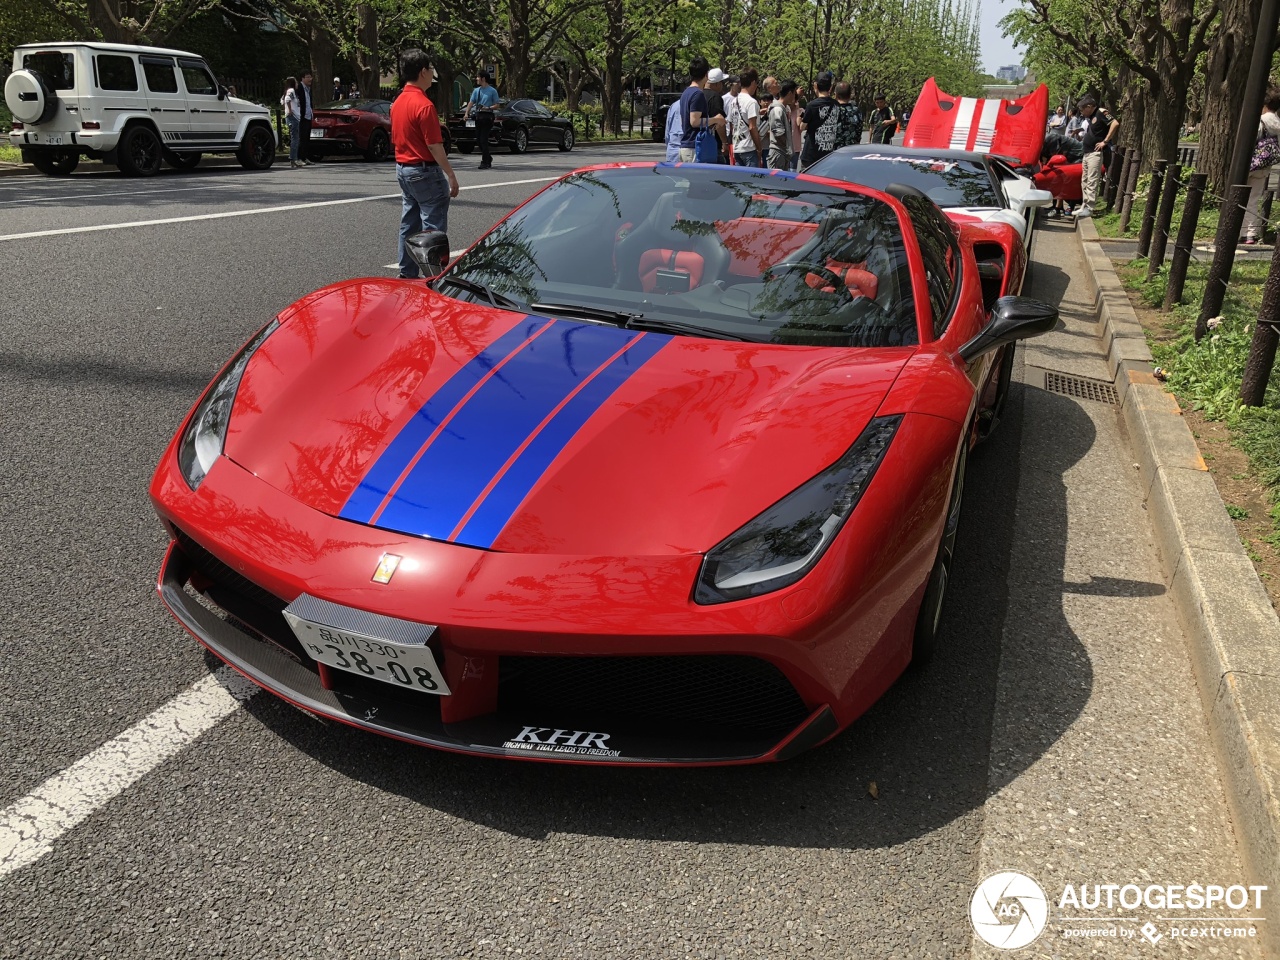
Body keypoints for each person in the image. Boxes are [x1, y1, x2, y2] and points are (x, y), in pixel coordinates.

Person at [391, 49, 459, 279]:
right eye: (430, 70)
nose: (432, 74)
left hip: (403, 168)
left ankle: (407, 273)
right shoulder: (424, 105)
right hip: (424, 170)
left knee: (408, 224)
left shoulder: (398, 102)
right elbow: (434, 146)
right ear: (422, 72)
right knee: (433, 228)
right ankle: (434, 277)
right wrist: (450, 174)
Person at [1243, 86, 1280, 244]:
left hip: (1249, 164)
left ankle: (1240, 231)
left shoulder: (1260, 120)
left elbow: (1250, 141)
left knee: (1238, 195)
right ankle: (1251, 233)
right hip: (1265, 167)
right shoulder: (1278, 123)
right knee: (1253, 199)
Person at [1074, 95, 1119, 218]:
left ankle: (1090, 207)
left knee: (1092, 180)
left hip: (1096, 153)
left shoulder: (1101, 112)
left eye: (1083, 110)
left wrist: (1105, 141)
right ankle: (1084, 204)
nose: (1082, 113)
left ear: (1089, 107)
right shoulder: (1091, 117)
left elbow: (1115, 123)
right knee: (1085, 180)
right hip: (1087, 152)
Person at [799, 72, 839, 170]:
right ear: (830, 87)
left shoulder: (812, 105)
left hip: (811, 154)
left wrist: (799, 119)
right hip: (828, 155)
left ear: (815, 85)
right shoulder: (836, 104)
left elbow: (802, 127)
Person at [1040, 129, 1084, 217]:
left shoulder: (1050, 139)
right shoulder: (1041, 144)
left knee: (1068, 180)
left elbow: (1055, 158)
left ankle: (1067, 207)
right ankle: (1057, 207)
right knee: (1057, 178)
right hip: (1068, 157)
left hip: (1077, 156)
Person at [463, 70, 500, 169]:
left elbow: (497, 105)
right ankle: (488, 157)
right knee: (479, 140)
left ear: (483, 78)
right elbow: (471, 102)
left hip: (487, 118)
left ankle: (485, 162)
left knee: (483, 140)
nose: (477, 79)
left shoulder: (492, 91)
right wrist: (466, 113)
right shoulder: (476, 90)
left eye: (478, 77)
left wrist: (488, 107)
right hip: (479, 117)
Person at [678, 56, 712, 162]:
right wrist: (716, 119)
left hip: (686, 145)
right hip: (694, 146)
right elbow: (695, 121)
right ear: (706, 74)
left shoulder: (686, 92)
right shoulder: (698, 94)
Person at [729, 68, 765, 167]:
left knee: (739, 181)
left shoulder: (734, 101)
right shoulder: (751, 102)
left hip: (737, 148)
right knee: (752, 181)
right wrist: (759, 148)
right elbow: (752, 127)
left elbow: (731, 124)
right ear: (753, 82)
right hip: (749, 148)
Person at [767, 81, 797, 171]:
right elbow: (778, 133)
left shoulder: (783, 108)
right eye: (794, 93)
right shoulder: (777, 109)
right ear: (790, 93)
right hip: (778, 153)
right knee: (775, 182)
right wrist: (787, 144)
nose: (795, 96)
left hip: (782, 153)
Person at [706, 68, 731, 162]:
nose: (722, 85)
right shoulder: (715, 97)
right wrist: (724, 142)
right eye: (721, 82)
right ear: (716, 83)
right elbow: (719, 123)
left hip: (700, 142)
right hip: (714, 144)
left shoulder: (699, 94)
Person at [281, 76, 301, 168]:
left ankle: (294, 158)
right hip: (293, 117)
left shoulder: (287, 91)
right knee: (295, 139)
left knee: (295, 138)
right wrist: (289, 110)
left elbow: (282, 101)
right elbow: (287, 100)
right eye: (296, 82)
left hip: (293, 117)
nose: (297, 84)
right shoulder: (291, 91)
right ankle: (293, 158)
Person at [834, 81, 861, 148]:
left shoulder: (831, 110)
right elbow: (858, 132)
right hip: (851, 150)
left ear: (836, 95)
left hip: (834, 152)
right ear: (850, 95)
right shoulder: (856, 111)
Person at [296, 71, 316, 163]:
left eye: (310, 77)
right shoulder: (299, 88)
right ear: (302, 78)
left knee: (307, 138)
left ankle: (305, 157)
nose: (310, 79)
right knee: (301, 137)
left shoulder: (308, 89)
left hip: (308, 115)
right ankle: (299, 157)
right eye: (307, 77)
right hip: (301, 116)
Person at [664, 91, 684, 162]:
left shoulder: (674, 105)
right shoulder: (694, 105)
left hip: (672, 149)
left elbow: (667, 131)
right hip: (687, 149)